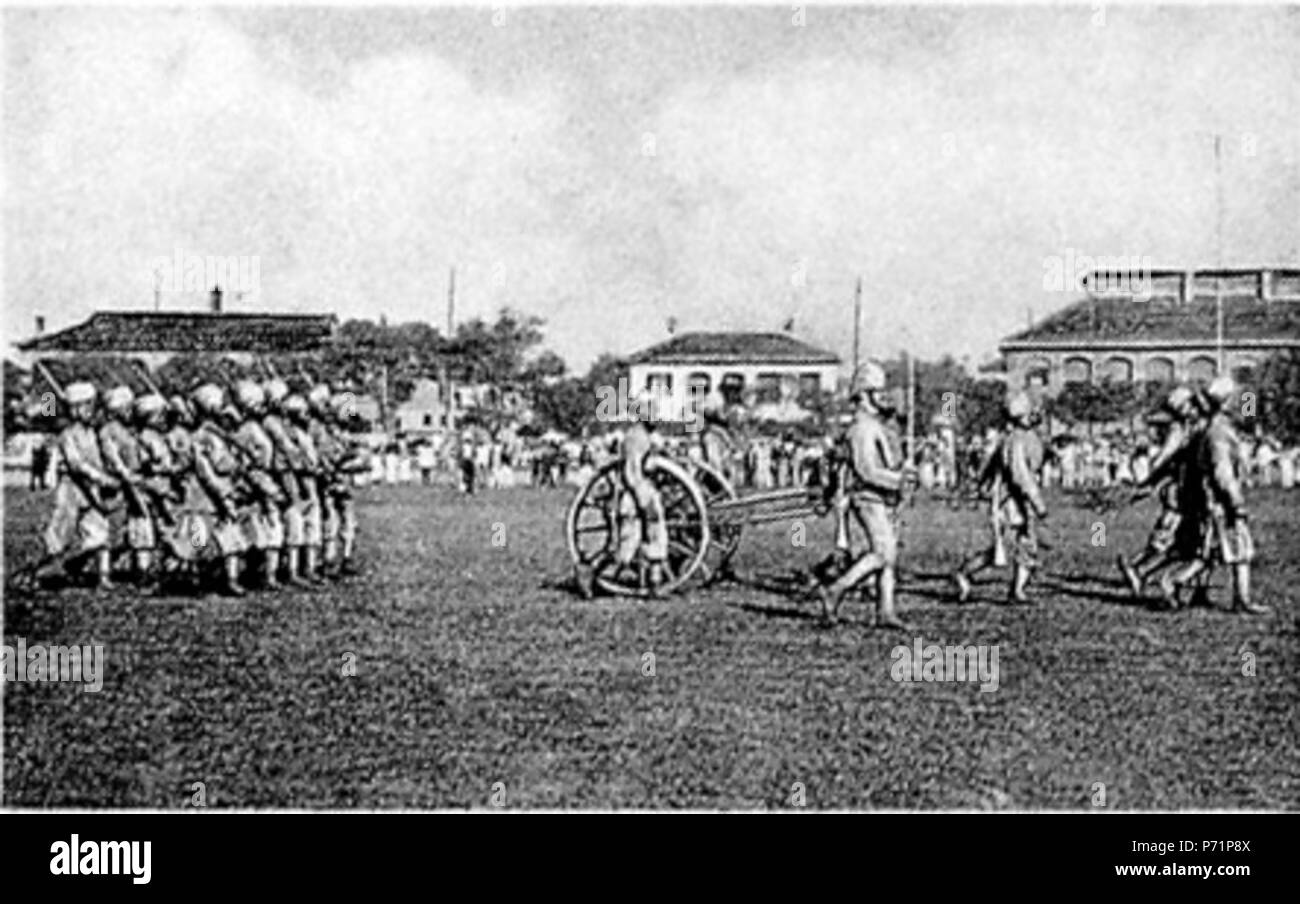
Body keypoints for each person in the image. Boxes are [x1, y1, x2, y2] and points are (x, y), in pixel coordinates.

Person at [811, 361, 913, 628]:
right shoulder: (862, 430)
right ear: (864, 395)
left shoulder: (869, 425)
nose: (882, 397)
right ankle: (835, 590)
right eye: (876, 392)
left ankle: (886, 611)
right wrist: (898, 481)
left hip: (878, 497)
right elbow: (867, 470)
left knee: (888, 557)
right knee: (883, 554)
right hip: (867, 497)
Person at [1158, 377, 1268, 614]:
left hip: (1215, 502)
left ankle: (1241, 599)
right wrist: (1236, 503)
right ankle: (1174, 582)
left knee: (1214, 554)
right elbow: (1223, 474)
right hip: (1221, 504)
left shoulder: (1217, 430)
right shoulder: (1219, 433)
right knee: (1236, 552)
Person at [952, 392, 1047, 605]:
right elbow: (1020, 475)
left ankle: (1018, 590)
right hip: (1011, 500)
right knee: (1002, 547)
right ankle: (964, 573)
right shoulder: (1015, 440)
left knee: (1027, 543)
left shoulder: (1021, 437)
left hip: (1018, 498)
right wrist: (1037, 502)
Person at [27, 382, 117, 589]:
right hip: (71, 489)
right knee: (60, 537)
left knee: (100, 532)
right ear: (74, 409)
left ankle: (103, 578)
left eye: (91, 406)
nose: (90, 411)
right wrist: (101, 478)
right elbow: (77, 465)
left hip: (91, 490)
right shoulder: (67, 435)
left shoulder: (92, 433)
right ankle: (37, 574)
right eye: (85, 406)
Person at [1117, 386, 1203, 600]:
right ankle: (1137, 567)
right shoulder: (1178, 429)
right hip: (1179, 491)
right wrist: (1150, 481)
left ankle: (1141, 569)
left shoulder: (1186, 427)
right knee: (1168, 538)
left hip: (1186, 490)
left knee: (1185, 541)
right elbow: (1163, 458)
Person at [189, 384, 248, 597]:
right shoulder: (202, 436)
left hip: (224, 488)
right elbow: (207, 470)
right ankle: (202, 583)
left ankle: (230, 581)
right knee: (200, 540)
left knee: (231, 537)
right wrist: (222, 494)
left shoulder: (220, 433)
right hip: (205, 494)